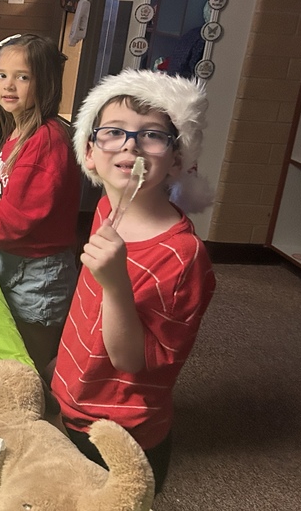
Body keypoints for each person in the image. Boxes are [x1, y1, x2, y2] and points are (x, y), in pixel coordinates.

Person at [51, 69, 216, 491]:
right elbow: (89, 310)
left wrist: (116, 282)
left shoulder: (183, 257)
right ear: (90, 153)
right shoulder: (108, 210)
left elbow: (131, 359)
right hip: (72, 399)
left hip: (120, 433)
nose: (130, 143)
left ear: (177, 159)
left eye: (151, 135)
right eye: (115, 132)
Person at [0, 33, 81, 377]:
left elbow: (14, 223)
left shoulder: (46, 141)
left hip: (38, 277)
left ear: (46, 83)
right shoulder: (19, 130)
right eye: (2, 75)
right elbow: (14, 199)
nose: (9, 85)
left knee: (25, 368)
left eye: (23, 77)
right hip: (13, 260)